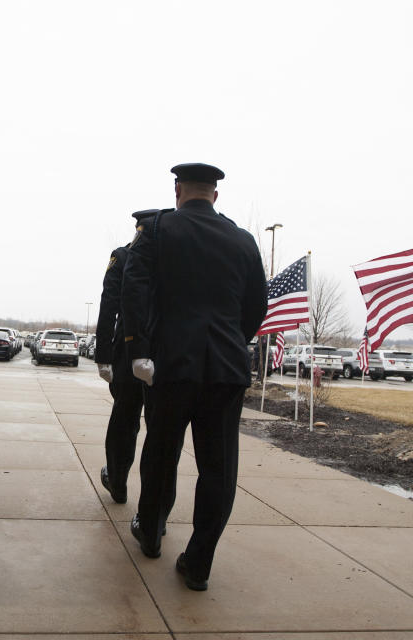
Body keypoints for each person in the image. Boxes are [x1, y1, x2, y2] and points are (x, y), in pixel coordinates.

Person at [121, 163, 267, 591]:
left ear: (178, 190)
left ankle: (150, 533)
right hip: (225, 369)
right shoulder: (243, 240)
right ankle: (198, 562)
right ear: (215, 196)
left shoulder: (158, 229)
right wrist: (230, 342)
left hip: (171, 364)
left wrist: (138, 350)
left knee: (162, 453)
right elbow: (256, 305)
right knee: (218, 468)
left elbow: (134, 288)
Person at [94, 209, 165, 503]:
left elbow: (108, 306)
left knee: (125, 418)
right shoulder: (169, 261)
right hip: (163, 350)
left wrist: (103, 355)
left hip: (128, 348)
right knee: (159, 425)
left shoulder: (123, 256)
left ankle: (117, 478)